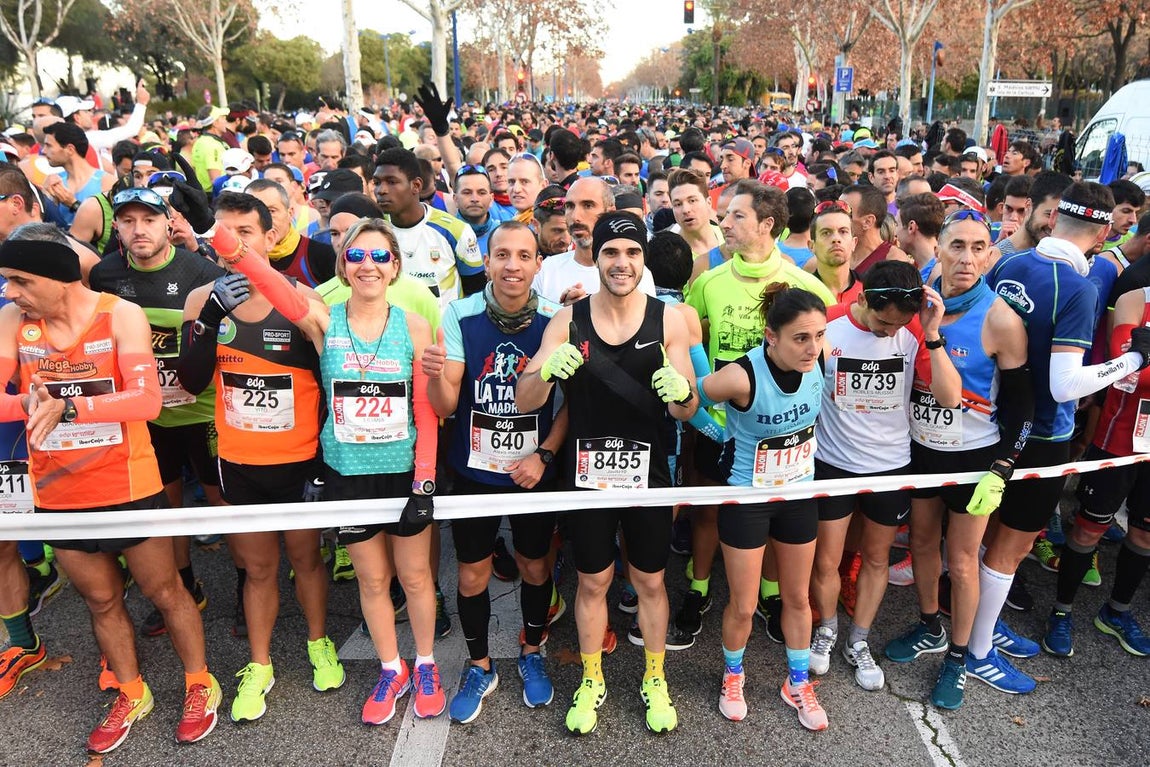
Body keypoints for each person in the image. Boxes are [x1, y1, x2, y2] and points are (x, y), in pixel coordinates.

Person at [0, 227, 220, 753]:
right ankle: (131, 690)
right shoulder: (12, 321)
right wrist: (31, 404)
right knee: (100, 600)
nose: (11, 292)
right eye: (8, 280)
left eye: (21, 280)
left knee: (165, 592)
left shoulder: (120, 314)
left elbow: (146, 401)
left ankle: (199, 682)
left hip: (128, 483)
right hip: (59, 492)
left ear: (58, 276)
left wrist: (71, 407)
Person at [516, 211, 698, 735]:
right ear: (595, 258)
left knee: (650, 580)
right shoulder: (568, 320)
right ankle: (591, 677)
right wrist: (545, 373)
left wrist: (682, 392)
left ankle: (655, 677)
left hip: (649, 471)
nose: (622, 262)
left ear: (644, 259)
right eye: (611, 252)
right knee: (593, 580)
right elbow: (526, 398)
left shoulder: (669, 319)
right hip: (587, 472)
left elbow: (687, 408)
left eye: (632, 252)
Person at [175, 191, 345, 722]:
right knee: (257, 568)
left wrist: (323, 462)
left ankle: (318, 642)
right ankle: (260, 663)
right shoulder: (202, 297)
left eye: (243, 232)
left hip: (298, 460)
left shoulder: (302, 299)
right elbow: (191, 381)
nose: (231, 244)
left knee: (306, 560)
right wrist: (209, 319)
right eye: (222, 232)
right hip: (238, 460)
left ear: (269, 237)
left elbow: (331, 382)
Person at [978, 182, 1150, 694]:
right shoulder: (1080, 287)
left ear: (1054, 219)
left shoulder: (1011, 263)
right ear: (1103, 232)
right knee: (1010, 549)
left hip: (995, 423)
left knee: (990, 538)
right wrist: (1134, 358)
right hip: (1044, 433)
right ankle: (978, 648)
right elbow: (1065, 384)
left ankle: (980, 625)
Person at [883, 210, 1033, 710]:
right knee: (922, 543)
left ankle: (960, 657)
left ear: (990, 256)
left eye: (978, 247)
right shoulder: (919, 302)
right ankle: (930, 625)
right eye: (957, 246)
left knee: (963, 561)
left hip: (973, 458)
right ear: (939, 250)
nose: (967, 258)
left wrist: (1003, 468)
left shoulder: (1000, 318)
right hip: (921, 450)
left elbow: (1023, 407)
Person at [421, 221, 566, 723]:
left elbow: (571, 403)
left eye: (524, 256)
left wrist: (543, 455)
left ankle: (532, 652)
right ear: (486, 262)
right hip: (475, 472)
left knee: (534, 567)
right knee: (472, 573)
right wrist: (435, 377)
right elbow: (447, 404)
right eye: (501, 254)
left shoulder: (556, 318)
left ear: (538, 265)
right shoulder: (459, 314)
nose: (512, 265)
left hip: (532, 471)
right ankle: (480, 665)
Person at [809, 261, 960, 693]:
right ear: (861, 299)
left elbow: (949, 398)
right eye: (882, 323)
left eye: (897, 325)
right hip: (833, 464)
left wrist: (932, 333)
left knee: (876, 559)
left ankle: (858, 640)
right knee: (827, 560)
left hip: (891, 465)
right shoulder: (827, 323)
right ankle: (827, 629)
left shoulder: (914, 331)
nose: (889, 332)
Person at [88, 187, 226, 638]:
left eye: (148, 219)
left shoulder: (199, 270)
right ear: (116, 227)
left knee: (221, 502)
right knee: (166, 506)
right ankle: (185, 586)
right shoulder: (106, 273)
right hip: (146, 417)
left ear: (168, 222)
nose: (138, 230)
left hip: (203, 412)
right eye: (128, 221)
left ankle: (248, 584)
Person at [699, 284, 830, 729]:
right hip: (748, 500)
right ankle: (733, 675)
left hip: (797, 496)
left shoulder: (819, 361)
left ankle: (797, 682)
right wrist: (718, 434)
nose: (812, 348)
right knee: (744, 603)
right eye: (801, 338)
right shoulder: (741, 376)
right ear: (771, 336)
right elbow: (689, 402)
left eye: (819, 335)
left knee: (797, 598)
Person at [1041, 286, 1150, 659]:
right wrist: (1137, 361)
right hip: (1117, 442)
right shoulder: (1136, 300)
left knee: (1144, 534)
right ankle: (1061, 611)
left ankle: (1116, 612)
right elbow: (1129, 374)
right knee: (1089, 530)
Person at [532, 177, 656, 304]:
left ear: (610, 212)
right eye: (570, 206)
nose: (575, 216)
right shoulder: (545, 271)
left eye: (588, 205)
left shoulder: (634, 273)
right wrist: (565, 312)